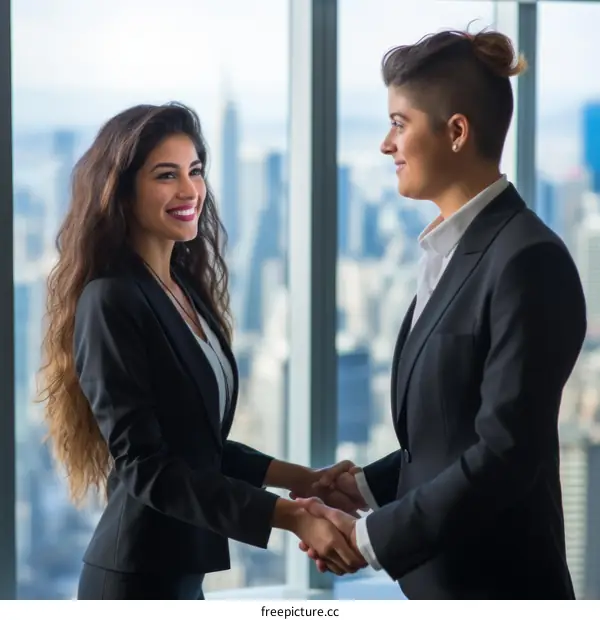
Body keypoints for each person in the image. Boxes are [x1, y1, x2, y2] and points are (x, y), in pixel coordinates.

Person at [296, 29, 587, 599]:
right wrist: (364, 487)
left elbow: (505, 454)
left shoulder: (528, 260)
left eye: (399, 123)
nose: (386, 144)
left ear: (456, 132)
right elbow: (449, 431)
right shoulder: (452, 252)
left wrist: (371, 538)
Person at [37, 102, 366, 600]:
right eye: (166, 176)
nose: (189, 190)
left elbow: (198, 444)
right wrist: (291, 516)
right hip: (134, 580)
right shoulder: (111, 299)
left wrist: (307, 480)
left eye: (195, 172)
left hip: (182, 575)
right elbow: (148, 468)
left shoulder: (182, 291)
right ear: (122, 193)